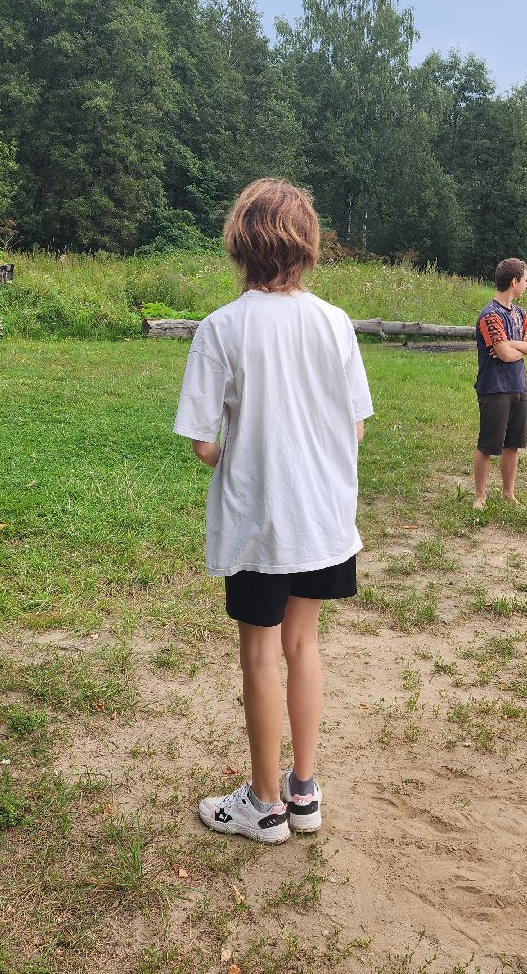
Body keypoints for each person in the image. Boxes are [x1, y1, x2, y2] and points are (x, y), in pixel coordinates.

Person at [174, 179, 373, 844]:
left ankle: (264, 803)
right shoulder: (335, 322)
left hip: (260, 521)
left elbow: (206, 443)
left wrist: (248, 448)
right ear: (308, 246)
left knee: (260, 654)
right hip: (324, 521)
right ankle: (304, 789)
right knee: (303, 644)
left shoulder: (222, 328)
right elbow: (356, 428)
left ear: (240, 245)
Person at [473, 257, 527, 508]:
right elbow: (504, 354)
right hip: (494, 388)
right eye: (525, 279)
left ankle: (508, 494)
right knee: (488, 445)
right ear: (514, 282)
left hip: (518, 386)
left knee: (513, 444)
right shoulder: (490, 316)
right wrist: (522, 348)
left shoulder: (520, 313)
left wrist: (515, 345)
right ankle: (480, 496)